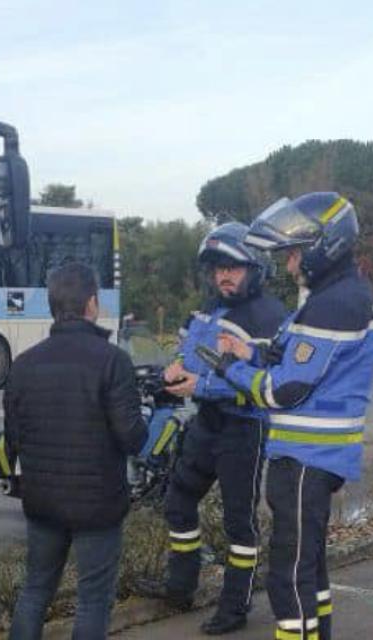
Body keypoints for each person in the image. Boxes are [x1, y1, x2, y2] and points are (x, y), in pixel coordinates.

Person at [200, 192, 373, 640]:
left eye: (295, 254)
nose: (287, 265)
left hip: (307, 459)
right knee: (311, 566)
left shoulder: (333, 303)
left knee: (289, 574)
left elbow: (282, 388)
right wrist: (252, 350)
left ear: (324, 247)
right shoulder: (339, 294)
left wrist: (231, 368)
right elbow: (293, 354)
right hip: (317, 458)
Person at [4, 261, 148, 640]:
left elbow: (12, 437)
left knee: (35, 592)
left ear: (53, 306)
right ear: (93, 304)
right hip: (97, 505)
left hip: (42, 503)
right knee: (92, 600)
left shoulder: (23, 364)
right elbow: (132, 437)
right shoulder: (113, 361)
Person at [158, 223, 288, 635]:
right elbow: (189, 350)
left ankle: (235, 608)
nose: (222, 276)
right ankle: (181, 587)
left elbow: (268, 380)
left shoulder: (270, 316)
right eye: (216, 268)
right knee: (177, 500)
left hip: (243, 429)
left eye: (232, 267)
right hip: (207, 422)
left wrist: (203, 384)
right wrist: (176, 367)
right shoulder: (209, 308)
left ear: (255, 267)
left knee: (239, 523)